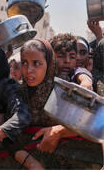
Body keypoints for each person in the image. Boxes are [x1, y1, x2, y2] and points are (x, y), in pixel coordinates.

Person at [13, 38, 101, 169]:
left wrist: (61, 131)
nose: (67, 61)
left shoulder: (71, 88)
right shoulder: (17, 91)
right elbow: (7, 131)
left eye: (37, 63)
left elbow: (97, 121)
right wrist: (31, 163)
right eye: (25, 63)